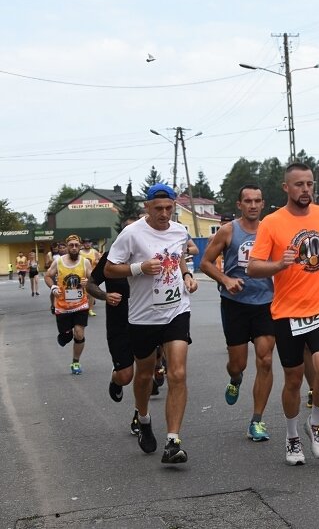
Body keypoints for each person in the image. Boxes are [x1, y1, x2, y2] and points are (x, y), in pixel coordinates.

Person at [247, 163, 319, 466]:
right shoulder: (272, 222)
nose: (305, 190)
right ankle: (291, 436)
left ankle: (315, 423)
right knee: (293, 379)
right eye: (299, 184)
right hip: (287, 313)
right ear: (286, 188)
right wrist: (279, 265)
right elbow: (253, 267)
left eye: (309, 184)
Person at [104, 183, 198, 465]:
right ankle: (143, 418)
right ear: (147, 207)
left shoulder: (179, 231)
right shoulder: (131, 234)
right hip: (143, 316)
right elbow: (109, 269)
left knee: (177, 373)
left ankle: (172, 441)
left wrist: (187, 276)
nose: (164, 214)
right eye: (158, 209)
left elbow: (179, 257)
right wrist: (139, 268)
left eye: (169, 208)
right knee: (144, 375)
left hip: (176, 310)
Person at [200, 184, 276, 443]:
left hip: (265, 303)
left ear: (263, 204)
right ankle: (235, 378)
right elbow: (205, 263)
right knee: (238, 363)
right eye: (248, 201)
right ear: (239, 204)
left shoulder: (271, 230)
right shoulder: (228, 230)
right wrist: (226, 279)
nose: (253, 205)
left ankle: (257, 420)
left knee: (265, 360)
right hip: (235, 304)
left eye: (257, 200)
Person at [86, 219, 142, 435]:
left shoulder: (147, 256)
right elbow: (91, 284)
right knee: (126, 376)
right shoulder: (111, 257)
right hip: (119, 323)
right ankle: (115, 378)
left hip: (146, 321)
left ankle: (140, 415)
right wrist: (105, 296)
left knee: (146, 372)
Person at [44, 235, 93, 375]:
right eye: (71, 245)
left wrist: (87, 282)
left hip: (80, 305)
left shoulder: (85, 262)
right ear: (66, 247)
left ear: (80, 246)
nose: (74, 248)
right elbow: (47, 276)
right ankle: (64, 336)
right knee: (66, 336)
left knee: (79, 333)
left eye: (76, 245)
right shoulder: (58, 262)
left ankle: (75, 362)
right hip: (62, 307)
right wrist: (53, 287)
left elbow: (93, 279)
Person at [79, 238, 101, 316]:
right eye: (85, 243)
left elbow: (101, 260)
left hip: (92, 275)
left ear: (91, 244)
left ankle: (90, 309)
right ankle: (82, 307)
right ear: (83, 244)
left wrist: (97, 262)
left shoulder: (94, 252)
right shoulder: (80, 252)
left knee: (91, 292)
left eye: (89, 243)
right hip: (82, 274)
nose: (87, 244)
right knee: (82, 292)